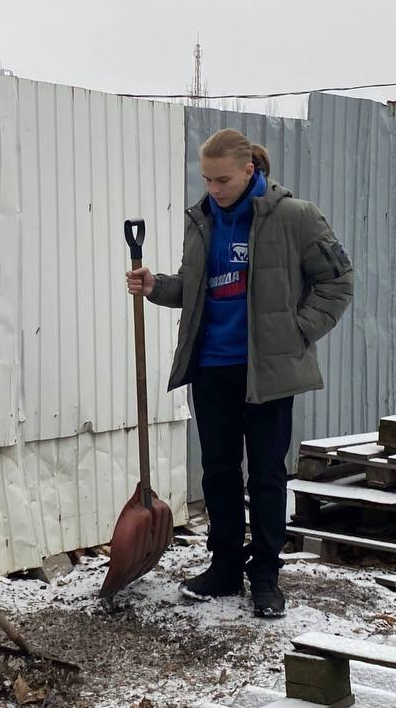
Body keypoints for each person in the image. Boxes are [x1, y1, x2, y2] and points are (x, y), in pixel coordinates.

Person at [127, 128, 353, 619]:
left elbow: (338, 280)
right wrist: (156, 286)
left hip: (267, 372)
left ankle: (267, 576)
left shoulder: (295, 217)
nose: (213, 189)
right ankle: (225, 566)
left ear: (250, 170)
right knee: (220, 473)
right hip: (211, 367)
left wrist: (297, 332)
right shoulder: (202, 220)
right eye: (206, 180)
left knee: (268, 475)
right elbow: (197, 286)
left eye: (222, 180)